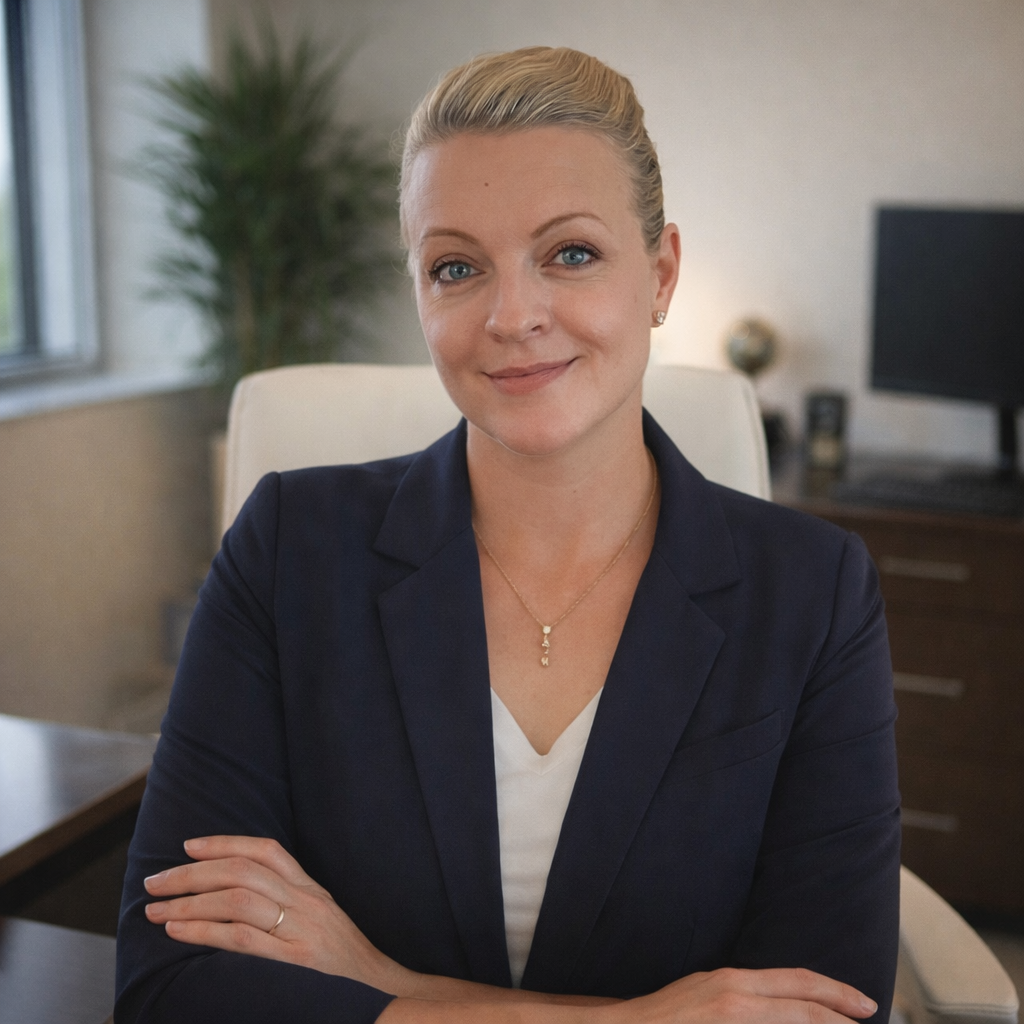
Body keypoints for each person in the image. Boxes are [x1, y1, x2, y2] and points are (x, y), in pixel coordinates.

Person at [116, 46, 900, 1024]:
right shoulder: (288, 548)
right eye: (457, 267)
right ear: (420, 296)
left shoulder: (812, 590)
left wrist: (382, 984)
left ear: (658, 275)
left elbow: (828, 1010)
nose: (512, 315)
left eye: (570, 253)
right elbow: (168, 989)